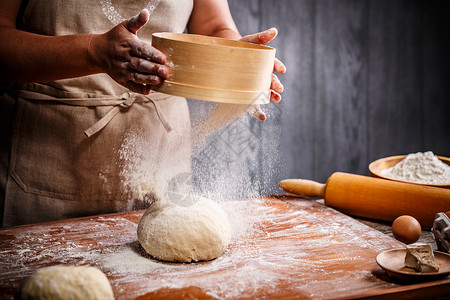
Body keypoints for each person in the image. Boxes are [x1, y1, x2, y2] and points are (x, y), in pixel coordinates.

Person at [0, 0, 286, 227]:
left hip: (159, 157)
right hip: (45, 161)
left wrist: (238, 63)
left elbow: (213, 26)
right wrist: (92, 52)